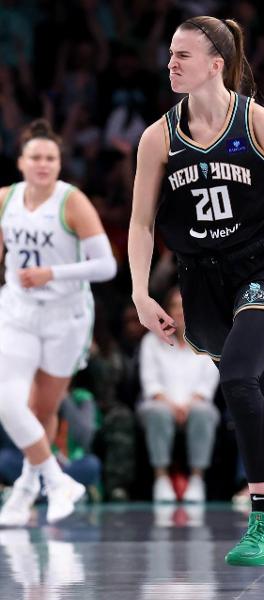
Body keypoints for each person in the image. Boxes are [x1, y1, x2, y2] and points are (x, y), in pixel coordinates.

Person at [128, 16, 264, 569]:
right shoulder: (159, 136)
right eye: (170, 54)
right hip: (202, 279)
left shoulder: (260, 124)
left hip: (262, 266)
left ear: (215, 65)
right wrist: (138, 291)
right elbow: (139, 223)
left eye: (183, 55)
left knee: (237, 378)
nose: (172, 63)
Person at [0, 119, 117, 526]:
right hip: (17, 311)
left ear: (59, 163)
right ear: (21, 162)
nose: (44, 163)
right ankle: (57, 481)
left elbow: (106, 266)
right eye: (36, 157)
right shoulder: (5, 200)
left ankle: (26, 490)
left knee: (41, 408)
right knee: (9, 403)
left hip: (66, 315)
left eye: (51, 157)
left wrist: (54, 273)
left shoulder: (72, 201)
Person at [138, 286, 219, 503]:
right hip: (161, 404)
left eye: (184, 306)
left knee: (204, 412)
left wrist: (189, 405)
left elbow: (207, 386)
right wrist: (173, 406)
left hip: (196, 405)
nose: (180, 312)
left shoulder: (208, 341)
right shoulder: (151, 341)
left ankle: (197, 479)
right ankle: (161, 478)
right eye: (175, 306)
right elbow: (151, 385)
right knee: (158, 412)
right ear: (167, 311)